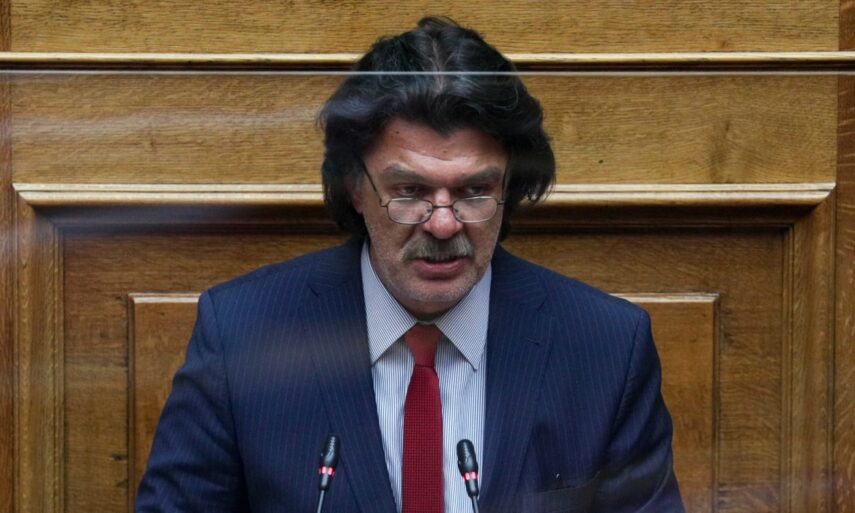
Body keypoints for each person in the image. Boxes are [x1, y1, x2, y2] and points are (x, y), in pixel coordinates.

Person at [136, 17, 684, 513]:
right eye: (410, 191)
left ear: (509, 186)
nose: (443, 225)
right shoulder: (242, 336)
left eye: (474, 191)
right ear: (355, 186)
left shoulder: (606, 348)